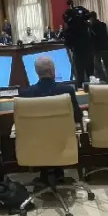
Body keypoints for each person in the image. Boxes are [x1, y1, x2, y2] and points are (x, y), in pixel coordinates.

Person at [20, 56, 82, 184]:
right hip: (63, 144)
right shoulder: (66, 91)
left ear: (36, 72)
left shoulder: (26, 94)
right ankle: (57, 173)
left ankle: (46, 174)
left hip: (35, 145)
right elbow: (78, 117)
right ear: (52, 70)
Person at [89, 12, 108, 83]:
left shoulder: (90, 26)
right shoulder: (103, 24)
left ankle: (102, 79)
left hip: (96, 49)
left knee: (97, 65)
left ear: (91, 18)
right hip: (105, 47)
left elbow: (89, 38)